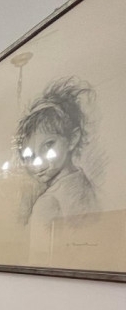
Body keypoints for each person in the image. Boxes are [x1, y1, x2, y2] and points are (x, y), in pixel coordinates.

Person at [15, 77, 99, 232]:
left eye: (48, 145)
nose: (37, 163)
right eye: (30, 155)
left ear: (72, 139)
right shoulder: (84, 183)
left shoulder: (47, 203)